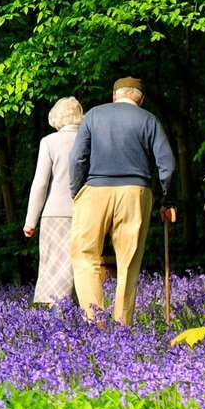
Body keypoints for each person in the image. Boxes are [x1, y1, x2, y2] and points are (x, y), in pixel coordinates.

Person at [68, 76, 177, 325]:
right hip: (135, 192)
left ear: (114, 95)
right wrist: (166, 200)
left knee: (85, 255)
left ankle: (95, 321)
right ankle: (122, 325)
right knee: (128, 261)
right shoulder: (149, 119)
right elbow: (167, 166)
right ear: (141, 99)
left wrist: (76, 191)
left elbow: (77, 159)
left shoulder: (94, 115)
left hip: (94, 190)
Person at [23, 96, 83, 307]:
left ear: (57, 118)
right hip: (86, 212)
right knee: (81, 266)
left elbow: (40, 184)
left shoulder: (49, 142)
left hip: (55, 213)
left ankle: (56, 318)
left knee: (55, 266)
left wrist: (31, 221)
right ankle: (83, 317)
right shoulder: (90, 140)